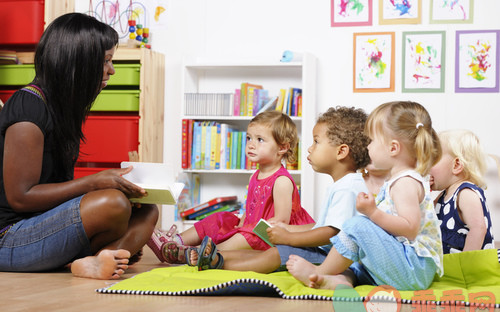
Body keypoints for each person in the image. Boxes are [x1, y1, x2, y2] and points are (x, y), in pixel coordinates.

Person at [0, 13, 158, 280]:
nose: (112, 70)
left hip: (43, 226)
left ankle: (104, 259)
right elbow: (20, 197)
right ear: (79, 63)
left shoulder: (61, 108)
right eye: (106, 61)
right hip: (10, 238)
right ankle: (110, 255)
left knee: (148, 209)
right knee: (113, 203)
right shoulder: (29, 108)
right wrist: (94, 182)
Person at [186, 106, 372, 272]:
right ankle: (215, 257)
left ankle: (220, 263)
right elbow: (322, 226)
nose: (309, 149)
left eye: (316, 142)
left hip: (335, 259)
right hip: (329, 252)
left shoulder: (347, 188)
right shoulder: (343, 185)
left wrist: (289, 237)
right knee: (266, 252)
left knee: (275, 255)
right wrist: (288, 229)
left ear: (341, 151)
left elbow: (330, 233)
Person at [287, 101, 444, 291]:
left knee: (357, 225)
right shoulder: (396, 180)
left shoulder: (405, 183)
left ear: (393, 148)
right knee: (356, 255)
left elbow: (410, 229)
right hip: (402, 263)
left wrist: (373, 213)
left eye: (371, 141)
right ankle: (340, 281)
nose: (367, 147)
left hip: (413, 270)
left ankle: (321, 272)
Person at [148, 111, 315, 264]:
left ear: (282, 147)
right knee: (221, 218)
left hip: (270, 235)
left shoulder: (282, 181)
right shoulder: (254, 176)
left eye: (260, 140)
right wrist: (241, 223)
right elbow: (250, 209)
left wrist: (246, 229)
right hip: (251, 227)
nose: (251, 144)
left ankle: (197, 254)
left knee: (244, 237)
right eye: (249, 138)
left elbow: (281, 222)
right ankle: (176, 242)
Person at [430, 129, 495, 254]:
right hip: (451, 266)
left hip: (469, 269)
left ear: (456, 165)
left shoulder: (465, 192)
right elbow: (425, 215)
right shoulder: (443, 196)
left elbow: (478, 229)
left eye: (433, 160)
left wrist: (465, 263)